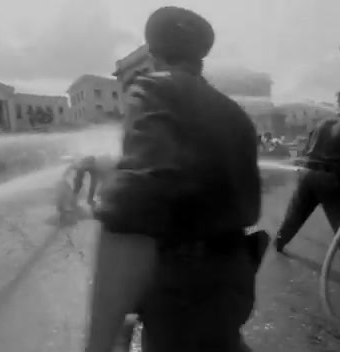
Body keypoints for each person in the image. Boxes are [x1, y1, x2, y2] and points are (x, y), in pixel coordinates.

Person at [85, 6, 266, 352]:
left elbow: (135, 209)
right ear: (200, 57)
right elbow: (193, 176)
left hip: (181, 287)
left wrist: (98, 345)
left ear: (152, 56)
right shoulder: (234, 112)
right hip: (234, 278)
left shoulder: (155, 88)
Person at [273, 88, 340, 296]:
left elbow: (305, 150)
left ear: (339, 103)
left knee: (295, 215)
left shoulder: (322, 123)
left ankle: (278, 243)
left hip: (307, 173)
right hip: (330, 178)